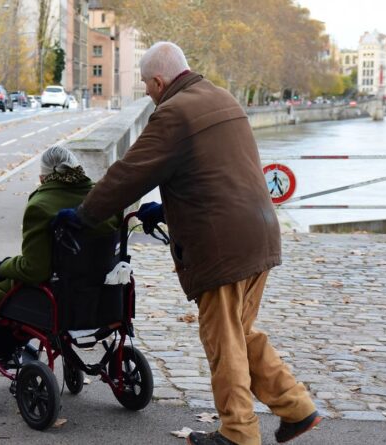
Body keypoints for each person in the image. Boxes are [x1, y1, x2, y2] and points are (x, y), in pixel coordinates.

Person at [55, 42, 320, 445]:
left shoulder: (174, 113)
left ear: (160, 81)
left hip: (223, 247)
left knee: (223, 341)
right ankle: (296, 408)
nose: (146, 92)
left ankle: (238, 433)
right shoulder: (221, 97)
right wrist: (167, 208)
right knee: (239, 332)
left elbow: (129, 173)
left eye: (146, 84)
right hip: (259, 233)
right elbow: (216, 171)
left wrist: (85, 214)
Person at [0, 145, 118, 360]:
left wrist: (3, 266)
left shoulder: (40, 206)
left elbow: (35, 270)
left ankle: (3, 348)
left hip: (63, 295)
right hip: (105, 294)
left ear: (43, 178)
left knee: (7, 286)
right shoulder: (104, 197)